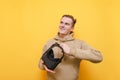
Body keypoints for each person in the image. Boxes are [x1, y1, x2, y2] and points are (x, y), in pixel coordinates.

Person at [38, 14, 103, 80]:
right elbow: (40, 64)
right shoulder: (49, 42)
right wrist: (43, 65)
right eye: (61, 22)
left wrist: (71, 51)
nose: (62, 25)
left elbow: (98, 57)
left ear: (72, 28)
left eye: (66, 24)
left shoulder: (79, 43)